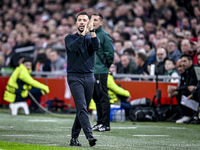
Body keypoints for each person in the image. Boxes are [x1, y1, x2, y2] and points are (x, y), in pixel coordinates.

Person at [64, 12, 100, 147]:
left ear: (88, 23)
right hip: (74, 77)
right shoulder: (69, 38)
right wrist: (83, 34)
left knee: (82, 109)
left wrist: (92, 32)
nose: (82, 22)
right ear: (76, 23)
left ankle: (74, 138)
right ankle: (90, 136)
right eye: (79, 20)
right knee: (82, 107)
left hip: (89, 77)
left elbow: (97, 47)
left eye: (85, 20)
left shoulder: (92, 37)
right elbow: (73, 47)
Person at [91, 13, 114, 132]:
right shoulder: (89, 34)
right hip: (91, 71)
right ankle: (99, 122)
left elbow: (110, 54)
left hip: (100, 71)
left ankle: (105, 124)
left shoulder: (104, 35)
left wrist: (105, 66)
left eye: (95, 20)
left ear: (101, 23)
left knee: (103, 97)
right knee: (96, 98)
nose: (93, 22)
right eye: (92, 19)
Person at [175, 54, 198, 123]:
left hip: (196, 91)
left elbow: (190, 85)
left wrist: (177, 88)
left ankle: (189, 115)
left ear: (191, 61)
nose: (183, 63)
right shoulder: (186, 71)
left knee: (183, 93)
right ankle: (184, 115)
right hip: (193, 91)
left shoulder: (194, 70)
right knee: (178, 93)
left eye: (185, 61)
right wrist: (177, 89)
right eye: (182, 61)